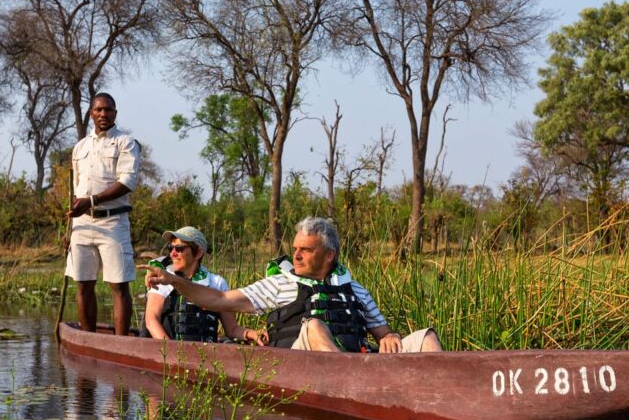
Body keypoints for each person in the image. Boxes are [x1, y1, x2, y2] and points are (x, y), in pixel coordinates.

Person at [144, 217, 442, 353]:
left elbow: (382, 332)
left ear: (329, 255)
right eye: (295, 248)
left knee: (425, 337)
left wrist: (390, 335)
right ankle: (347, 385)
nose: (296, 255)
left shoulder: (355, 288)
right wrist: (173, 281)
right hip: (306, 368)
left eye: (306, 250)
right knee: (313, 326)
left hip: (360, 366)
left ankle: (437, 398)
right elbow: (219, 299)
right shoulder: (280, 285)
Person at [65, 92, 140, 336]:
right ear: (91, 114)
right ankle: (89, 341)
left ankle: (121, 344)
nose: (103, 114)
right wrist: (72, 222)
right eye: (98, 110)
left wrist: (93, 201)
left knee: (118, 285)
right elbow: (77, 189)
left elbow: (127, 182)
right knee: (83, 284)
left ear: (115, 114)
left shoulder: (125, 142)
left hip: (113, 221)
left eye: (108, 110)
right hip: (82, 225)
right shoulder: (80, 147)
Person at [143, 226, 266, 345]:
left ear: (198, 253)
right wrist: (170, 353)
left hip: (206, 356)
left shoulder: (217, 283)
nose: (172, 254)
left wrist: (252, 334)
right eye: (171, 248)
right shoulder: (162, 278)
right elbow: (151, 320)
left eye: (179, 248)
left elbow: (232, 329)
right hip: (169, 353)